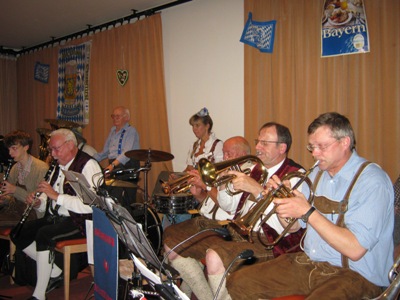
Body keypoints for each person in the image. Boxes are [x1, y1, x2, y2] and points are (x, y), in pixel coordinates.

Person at [226, 112, 394, 300]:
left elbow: (355, 249)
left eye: (321, 146)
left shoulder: (372, 181)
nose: (314, 154)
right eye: (312, 147)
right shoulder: (316, 175)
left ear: (345, 142)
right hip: (311, 264)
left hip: (356, 275)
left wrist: (307, 212)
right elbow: (293, 226)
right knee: (238, 282)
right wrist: (283, 202)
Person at [166, 122, 305, 300]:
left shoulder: (294, 175)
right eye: (258, 141)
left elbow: (285, 226)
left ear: (282, 148)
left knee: (214, 256)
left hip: (270, 243)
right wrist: (223, 184)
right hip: (239, 232)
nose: (257, 147)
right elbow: (231, 207)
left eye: (264, 143)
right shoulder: (255, 170)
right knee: (173, 243)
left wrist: (256, 190)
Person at [10, 128, 102, 300]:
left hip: (80, 220)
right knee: (18, 233)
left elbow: (90, 205)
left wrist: (56, 196)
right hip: (56, 217)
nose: (52, 154)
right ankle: (55, 270)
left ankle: (39, 295)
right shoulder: (58, 165)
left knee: (43, 235)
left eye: (56, 149)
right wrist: (39, 202)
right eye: (51, 149)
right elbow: (49, 194)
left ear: (71, 145)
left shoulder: (88, 165)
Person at [163, 107, 223, 227]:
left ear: (207, 126)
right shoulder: (194, 145)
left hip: (206, 188)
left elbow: (218, 172)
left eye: (197, 125)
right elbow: (189, 168)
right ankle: (168, 234)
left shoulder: (217, 145)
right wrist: (177, 177)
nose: (194, 129)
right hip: (193, 185)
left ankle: (181, 231)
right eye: (193, 126)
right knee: (170, 203)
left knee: (181, 206)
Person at [1, 130, 49, 221]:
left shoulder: (41, 168)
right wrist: (5, 198)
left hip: (33, 215)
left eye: (14, 148)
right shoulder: (15, 167)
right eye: (9, 149)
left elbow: (37, 201)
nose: (10, 153)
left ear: (26, 147)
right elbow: (12, 196)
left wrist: (15, 189)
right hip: (17, 210)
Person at [93, 106, 140, 172]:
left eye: (118, 116)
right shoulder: (112, 131)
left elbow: (127, 153)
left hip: (127, 166)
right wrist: (90, 159)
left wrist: (112, 165)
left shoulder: (131, 131)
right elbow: (105, 152)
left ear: (126, 118)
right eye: (113, 116)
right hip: (114, 164)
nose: (115, 118)